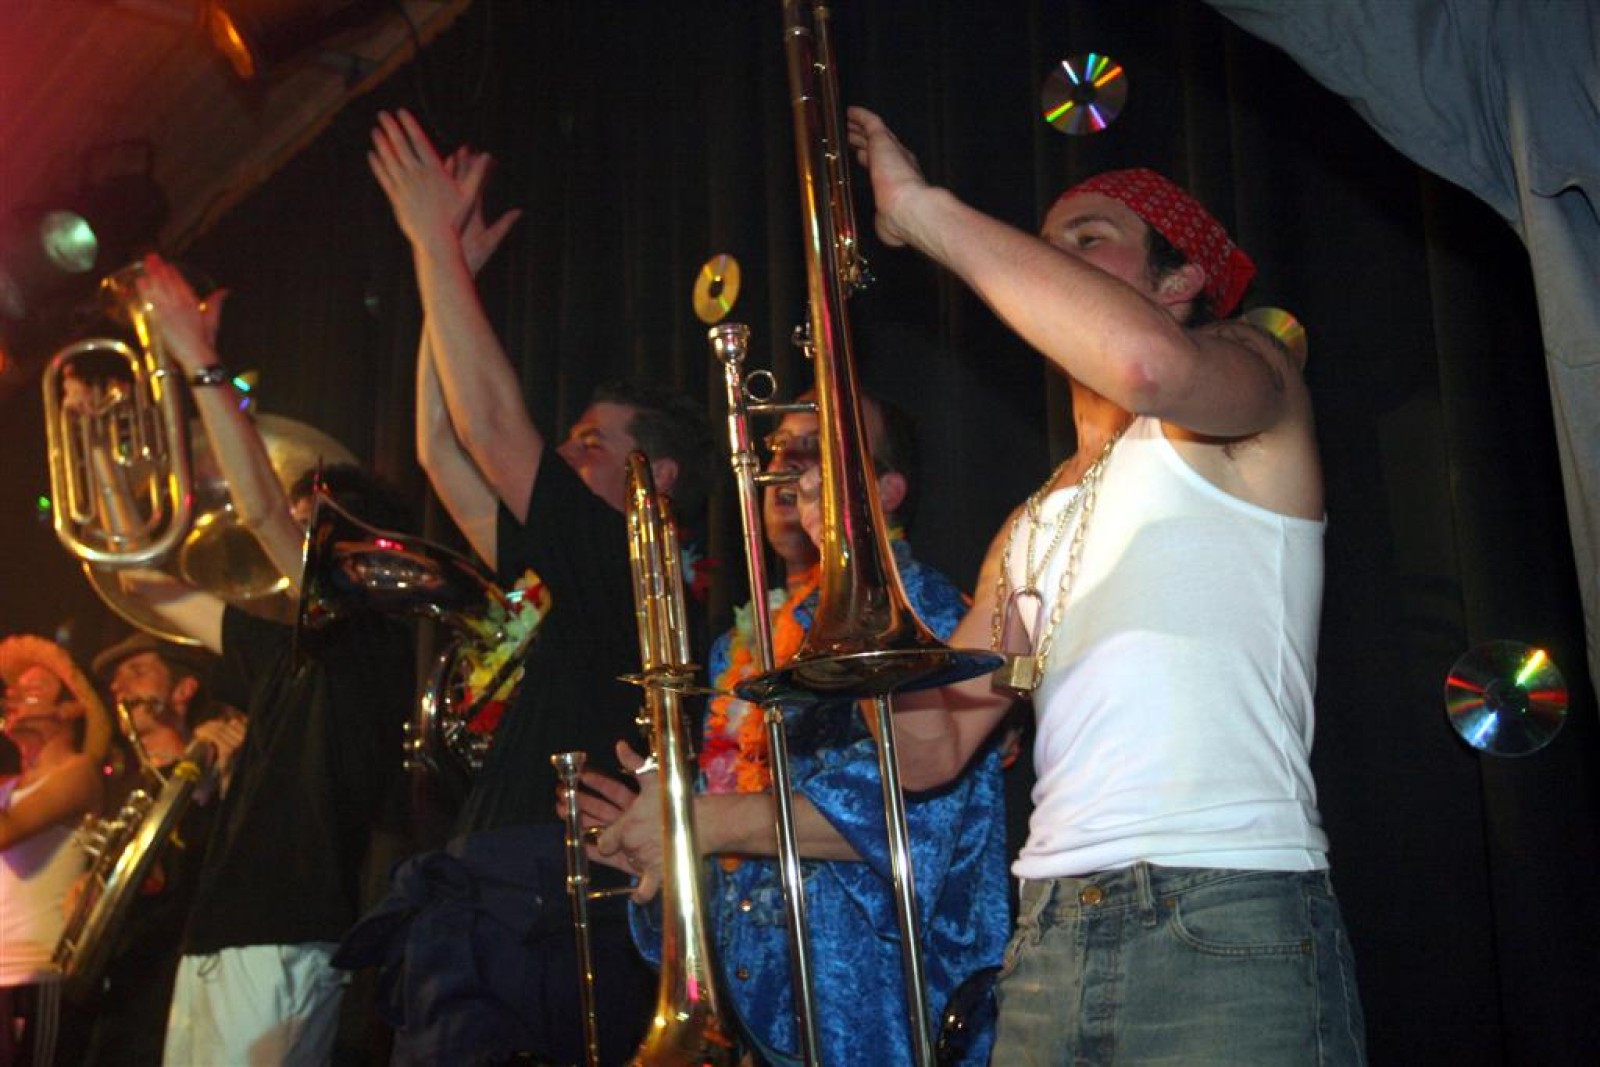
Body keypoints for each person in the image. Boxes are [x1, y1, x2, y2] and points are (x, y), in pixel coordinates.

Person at [846, 107, 1366, 1065]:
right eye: (1042, 247)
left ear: (1180, 281)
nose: (1051, 261)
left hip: (1226, 916)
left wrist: (921, 210)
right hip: (1047, 938)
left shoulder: (1250, 377)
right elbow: (931, 748)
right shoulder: (1032, 522)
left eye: (1089, 240)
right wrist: (849, 616)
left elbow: (1147, 363)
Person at [344, 109, 719, 1064]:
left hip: (542, 905)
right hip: (503, 894)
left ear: (657, 478)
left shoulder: (634, 566)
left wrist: (433, 241)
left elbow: (489, 428)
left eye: (591, 441)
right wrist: (446, 275)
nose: (563, 452)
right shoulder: (579, 563)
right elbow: (442, 445)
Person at [575, 392, 1011, 1066]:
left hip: (884, 1021)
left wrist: (696, 821)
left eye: (819, 452)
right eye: (777, 448)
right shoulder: (736, 648)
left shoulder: (920, 609)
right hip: (760, 1025)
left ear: (887, 491)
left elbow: (908, 816)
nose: (784, 467)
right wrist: (657, 850)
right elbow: (734, 862)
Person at [118, 254, 416, 1066]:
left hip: (285, 935)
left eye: (309, 519)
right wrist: (109, 458)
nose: (287, 533)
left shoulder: (371, 632)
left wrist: (198, 361)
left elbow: (256, 509)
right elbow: (140, 580)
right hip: (220, 936)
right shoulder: (284, 646)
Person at [76, 632, 244, 1067]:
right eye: (116, 680)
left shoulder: (213, 770)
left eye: (137, 672)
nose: (119, 687)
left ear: (183, 690)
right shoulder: (125, 790)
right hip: (120, 987)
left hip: (174, 985)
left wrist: (217, 776)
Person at [0, 634, 111, 1067]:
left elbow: (6, 832)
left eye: (34, 687)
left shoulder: (77, 772)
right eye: (14, 688)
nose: (14, 696)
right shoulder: (8, 787)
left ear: (70, 708)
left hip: (41, 973)